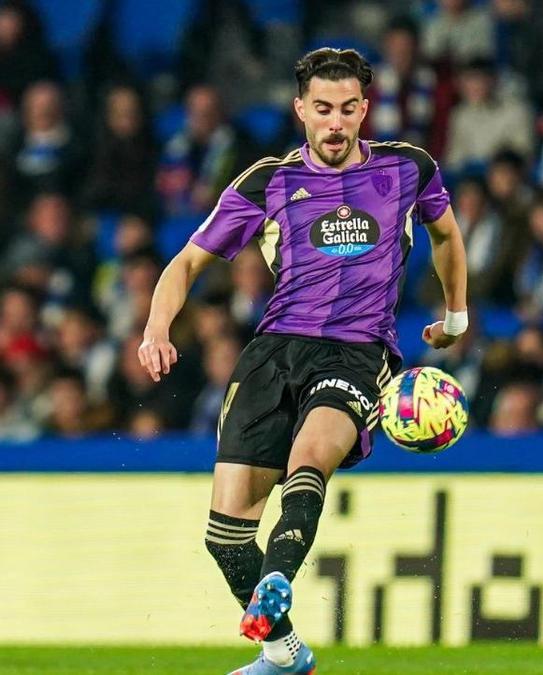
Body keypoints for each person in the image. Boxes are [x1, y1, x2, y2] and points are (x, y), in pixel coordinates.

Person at [137, 48, 468, 675]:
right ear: (300, 111)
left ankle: (278, 580)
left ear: (365, 110)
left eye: (348, 110)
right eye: (323, 110)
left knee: (309, 457)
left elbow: (447, 234)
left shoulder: (408, 169)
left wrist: (457, 316)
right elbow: (185, 262)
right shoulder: (267, 181)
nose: (336, 123)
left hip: (358, 349)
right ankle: (285, 652)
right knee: (226, 537)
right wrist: (157, 326)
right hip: (272, 353)